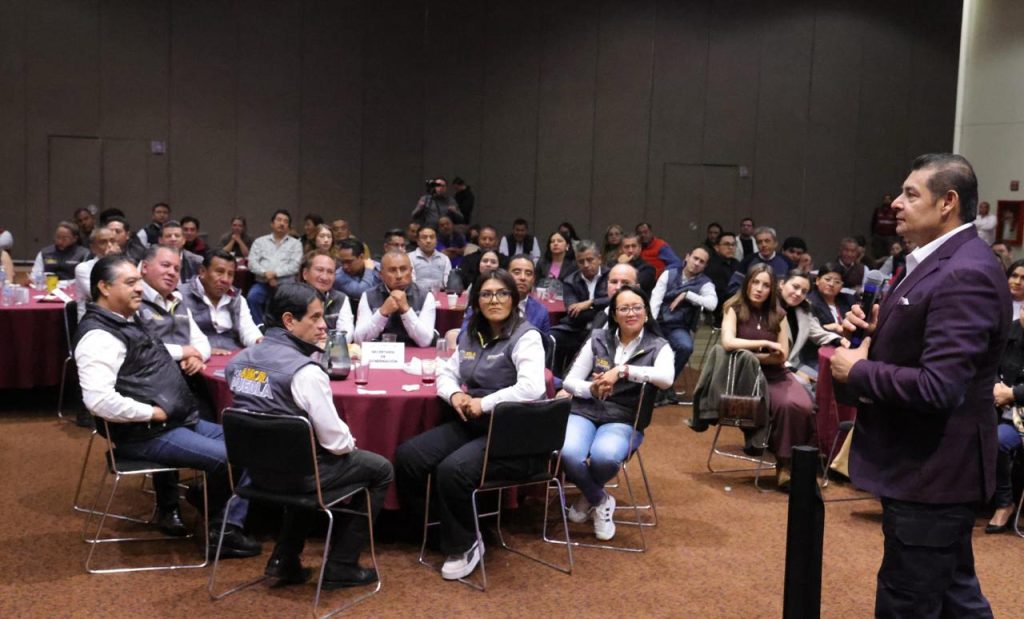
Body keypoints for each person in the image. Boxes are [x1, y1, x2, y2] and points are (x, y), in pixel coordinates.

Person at [830, 153, 1010, 616]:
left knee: (908, 604)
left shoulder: (965, 271)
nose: (895, 203)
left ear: (947, 202)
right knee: (954, 598)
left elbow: (940, 386)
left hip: (933, 473)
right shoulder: (937, 261)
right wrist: (879, 336)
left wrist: (859, 370)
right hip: (926, 468)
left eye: (911, 194)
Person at [75, 254, 260, 557]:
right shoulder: (98, 336)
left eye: (138, 281)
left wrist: (186, 351)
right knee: (232, 458)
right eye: (130, 282)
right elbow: (97, 400)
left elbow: (145, 351)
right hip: (147, 433)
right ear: (104, 287)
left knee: (251, 443)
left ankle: (216, 511)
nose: (139, 288)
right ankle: (224, 531)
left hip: (174, 422)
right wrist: (151, 412)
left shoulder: (123, 320)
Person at [227, 283, 393, 588]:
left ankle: (284, 559)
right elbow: (337, 443)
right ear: (289, 321)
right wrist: (349, 443)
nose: (323, 326)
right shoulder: (306, 372)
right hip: (298, 477)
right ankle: (341, 564)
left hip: (254, 474)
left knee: (300, 456)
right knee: (380, 468)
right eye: (315, 318)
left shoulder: (237, 362)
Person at [394, 269, 546, 580]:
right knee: (409, 456)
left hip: (512, 431)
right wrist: (453, 395)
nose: (494, 300)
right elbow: (446, 373)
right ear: (476, 301)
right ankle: (440, 528)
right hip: (473, 423)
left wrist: (484, 402)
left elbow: (532, 387)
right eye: (486, 294)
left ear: (514, 299)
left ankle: (465, 543)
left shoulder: (526, 336)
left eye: (502, 293)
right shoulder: (470, 333)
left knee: (453, 470)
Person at [559, 284, 673, 541]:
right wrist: (591, 388)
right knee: (568, 453)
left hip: (623, 417)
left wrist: (623, 371)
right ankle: (600, 499)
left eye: (637, 307)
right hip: (585, 410)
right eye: (624, 309)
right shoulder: (598, 338)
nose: (631, 313)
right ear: (614, 314)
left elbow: (666, 378)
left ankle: (588, 496)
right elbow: (569, 382)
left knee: (606, 458)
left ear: (646, 312)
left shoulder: (659, 346)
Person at [721, 263, 816, 482]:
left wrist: (751, 353)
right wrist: (764, 344)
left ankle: (799, 462)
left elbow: (781, 356)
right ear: (747, 283)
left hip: (776, 373)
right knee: (785, 406)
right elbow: (728, 343)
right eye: (755, 282)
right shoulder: (733, 308)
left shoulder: (778, 314)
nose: (759, 289)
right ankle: (784, 464)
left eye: (765, 285)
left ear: (772, 289)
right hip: (746, 376)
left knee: (805, 405)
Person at [650, 246, 717, 403]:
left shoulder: (705, 283)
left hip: (678, 327)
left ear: (705, 266)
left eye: (702, 261)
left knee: (686, 347)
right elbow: (655, 300)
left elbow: (712, 304)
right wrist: (650, 326)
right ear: (687, 257)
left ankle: (663, 386)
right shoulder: (669, 274)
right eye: (695, 258)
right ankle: (660, 389)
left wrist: (688, 295)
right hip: (658, 323)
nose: (697, 263)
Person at [182, 250, 263, 353]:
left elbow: (248, 330)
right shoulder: (181, 296)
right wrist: (204, 351)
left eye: (230, 274)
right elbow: (175, 337)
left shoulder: (237, 299)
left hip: (232, 354)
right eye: (219, 272)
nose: (225, 279)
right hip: (195, 356)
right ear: (202, 272)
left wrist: (258, 340)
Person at [988, 302, 1024, 535]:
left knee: (998, 440)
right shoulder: (1009, 330)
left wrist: (1013, 394)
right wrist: (996, 387)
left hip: (1019, 414)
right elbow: (989, 363)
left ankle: (1004, 503)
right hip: (999, 405)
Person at [353, 250, 436, 346]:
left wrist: (406, 310)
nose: (399, 276)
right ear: (381, 275)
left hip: (415, 353)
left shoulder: (425, 296)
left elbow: (425, 341)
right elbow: (359, 339)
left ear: (411, 271)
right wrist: (382, 313)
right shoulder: (368, 296)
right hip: (380, 352)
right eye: (392, 270)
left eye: (403, 269)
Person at [551, 241, 609, 374]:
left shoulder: (611, 276)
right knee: (553, 337)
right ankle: (556, 378)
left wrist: (591, 303)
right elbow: (573, 312)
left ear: (599, 259)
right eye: (581, 261)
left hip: (604, 328)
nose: (586, 265)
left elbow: (616, 299)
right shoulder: (570, 280)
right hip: (577, 328)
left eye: (590, 260)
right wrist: (600, 308)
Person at [461, 254, 551, 337]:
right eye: (517, 272)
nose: (523, 277)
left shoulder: (540, 312)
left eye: (528, 273)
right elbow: (463, 338)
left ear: (533, 279)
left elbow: (546, 345)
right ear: (506, 275)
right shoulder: (485, 303)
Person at [777, 270, 842, 385]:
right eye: (795, 287)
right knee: (805, 384)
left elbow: (816, 332)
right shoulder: (770, 309)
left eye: (804, 291)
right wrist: (794, 371)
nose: (798, 294)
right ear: (782, 284)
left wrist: (840, 340)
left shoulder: (803, 309)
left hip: (794, 363)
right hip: (775, 365)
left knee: (823, 384)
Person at [247, 210, 304, 326]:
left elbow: (295, 266)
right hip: (263, 283)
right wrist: (265, 274)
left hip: (286, 285)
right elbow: (252, 263)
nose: (282, 223)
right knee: (252, 297)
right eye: (279, 220)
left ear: (289, 227)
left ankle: (282, 328)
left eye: (285, 221)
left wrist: (275, 274)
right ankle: (260, 326)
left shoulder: (296, 244)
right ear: (272, 224)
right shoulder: (260, 241)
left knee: (289, 303)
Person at [74, 226, 122, 321]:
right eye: (103, 242)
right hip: (94, 320)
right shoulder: (83, 268)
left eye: (112, 241)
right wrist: (109, 260)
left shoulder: (124, 266)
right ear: (93, 248)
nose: (109, 245)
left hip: (121, 317)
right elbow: (101, 296)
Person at [300, 252, 353, 334]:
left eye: (330, 272)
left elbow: (346, 334)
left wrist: (326, 340)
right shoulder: (292, 297)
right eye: (319, 270)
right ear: (305, 273)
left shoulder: (340, 299)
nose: (325, 277)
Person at [333, 237, 381, 312]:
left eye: (349, 262)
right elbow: (363, 293)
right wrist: (368, 270)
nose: (345, 266)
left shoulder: (378, 268)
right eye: (342, 262)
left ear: (361, 257)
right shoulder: (339, 276)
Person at [807, 262, 855, 334]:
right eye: (827, 279)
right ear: (817, 281)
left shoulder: (848, 299)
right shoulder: (809, 302)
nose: (831, 284)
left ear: (841, 286)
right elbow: (809, 330)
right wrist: (831, 327)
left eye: (837, 282)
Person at [705, 231, 739, 326]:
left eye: (733, 244)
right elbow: (720, 293)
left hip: (736, 307)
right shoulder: (711, 266)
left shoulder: (737, 264)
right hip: (719, 311)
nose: (730, 247)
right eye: (726, 244)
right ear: (716, 247)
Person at [409, 226, 452, 292]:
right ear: (417, 241)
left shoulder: (444, 259)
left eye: (432, 237)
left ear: (436, 240)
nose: (428, 241)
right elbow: (411, 283)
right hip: (416, 295)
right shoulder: (409, 257)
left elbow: (448, 283)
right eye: (424, 237)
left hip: (439, 295)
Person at [871, 193, 899, 262]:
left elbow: (897, 222)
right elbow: (873, 222)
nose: (887, 201)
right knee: (877, 253)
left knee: (889, 253)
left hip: (890, 236)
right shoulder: (878, 210)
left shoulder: (894, 211)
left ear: (891, 200)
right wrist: (873, 233)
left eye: (888, 199)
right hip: (878, 235)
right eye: (885, 199)